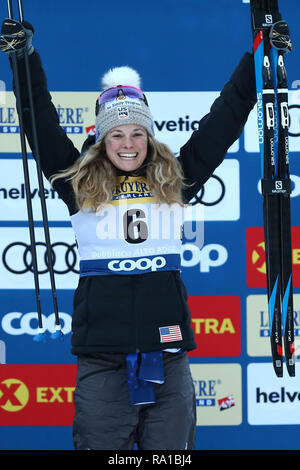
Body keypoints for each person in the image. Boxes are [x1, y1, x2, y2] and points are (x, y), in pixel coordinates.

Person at [0, 19, 256, 450]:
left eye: (138, 132)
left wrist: (258, 60)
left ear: (150, 137)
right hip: (103, 365)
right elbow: (38, 121)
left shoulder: (176, 178)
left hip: (169, 363)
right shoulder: (77, 185)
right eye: (116, 134)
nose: (128, 143)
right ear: (102, 140)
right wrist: (24, 60)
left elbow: (225, 119)